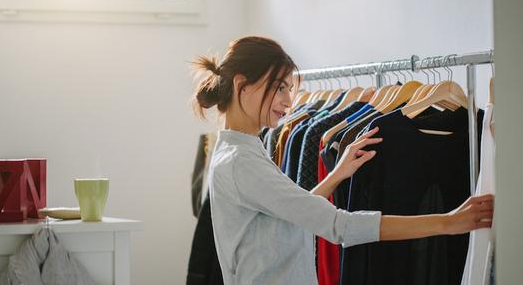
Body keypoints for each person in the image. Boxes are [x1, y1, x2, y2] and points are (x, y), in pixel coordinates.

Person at [191, 36, 494, 285]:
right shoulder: (242, 162)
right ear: (242, 84)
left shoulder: (239, 149)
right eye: (279, 87)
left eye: (288, 88)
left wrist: (336, 174)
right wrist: (448, 222)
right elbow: (339, 225)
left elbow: (293, 214)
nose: (287, 100)